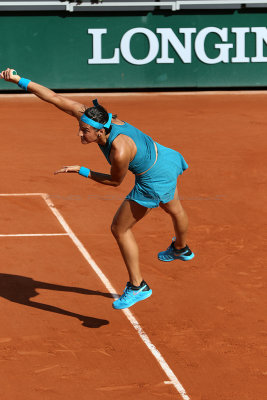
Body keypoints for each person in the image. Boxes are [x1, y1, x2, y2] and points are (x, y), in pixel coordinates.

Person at [1, 68, 194, 310]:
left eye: (85, 131)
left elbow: (114, 182)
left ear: (101, 131)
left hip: (153, 178)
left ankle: (138, 286)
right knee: (174, 207)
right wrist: (19, 79)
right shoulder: (95, 117)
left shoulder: (120, 151)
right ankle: (181, 248)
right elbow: (54, 98)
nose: (79, 132)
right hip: (166, 157)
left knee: (119, 229)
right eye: (81, 127)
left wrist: (81, 170)